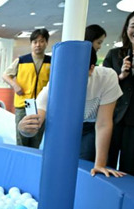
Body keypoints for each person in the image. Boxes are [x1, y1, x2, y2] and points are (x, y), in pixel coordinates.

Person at [18, 48, 125, 178]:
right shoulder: (54, 86)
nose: (70, 79)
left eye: (77, 73)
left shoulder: (106, 77)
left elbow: (103, 123)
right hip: (64, 125)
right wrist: (24, 128)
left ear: (91, 68)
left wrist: (100, 164)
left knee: (85, 163)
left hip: (91, 125)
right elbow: (35, 123)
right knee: (58, 163)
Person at [103, 7, 134, 178]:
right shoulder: (114, 54)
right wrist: (121, 75)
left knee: (130, 170)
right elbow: (103, 85)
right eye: (133, 25)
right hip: (111, 118)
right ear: (126, 29)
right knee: (104, 164)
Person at [2, 28, 52, 149]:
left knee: (37, 137)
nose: (38, 45)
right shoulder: (21, 60)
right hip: (24, 103)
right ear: (31, 44)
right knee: (22, 138)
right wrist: (15, 85)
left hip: (41, 105)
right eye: (35, 42)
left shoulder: (52, 62)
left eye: (41, 41)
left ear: (46, 43)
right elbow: (5, 75)